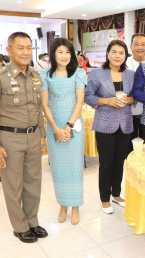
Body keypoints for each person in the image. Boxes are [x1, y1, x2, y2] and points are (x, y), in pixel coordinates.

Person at [0, 32, 47, 243]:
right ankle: (19, 226)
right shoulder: (1, 77)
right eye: (20, 47)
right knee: (13, 185)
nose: (26, 52)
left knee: (33, 183)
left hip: (33, 136)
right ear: (9, 50)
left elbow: (38, 109)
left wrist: (42, 135)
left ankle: (32, 221)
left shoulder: (36, 76)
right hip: (10, 139)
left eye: (29, 47)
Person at [40, 38, 86, 225]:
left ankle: (75, 206)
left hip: (73, 125)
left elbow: (80, 102)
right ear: (53, 54)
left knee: (75, 168)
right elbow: (45, 104)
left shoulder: (78, 73)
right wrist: (56, 129)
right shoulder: (44, 75)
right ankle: (63, 205)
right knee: (58, 169)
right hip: (53, 126)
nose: (65, 56)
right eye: (60, 52)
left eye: (68, 52)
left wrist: (68, 127)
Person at [85, 40, 135, 214]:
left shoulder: (130, 74)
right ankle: (104, 198)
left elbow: (134, 97)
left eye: (121, 53)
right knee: (106, 163)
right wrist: (107, 101)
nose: (117, 56)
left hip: (125, 123)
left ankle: (116, 194)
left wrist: (128, 100)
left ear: (125, 56)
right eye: (114, 52)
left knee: (119, 161)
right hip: (104, 123)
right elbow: (88, 96)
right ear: (108, 54)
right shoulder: (97, 74)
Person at [125, 33, 145, 157]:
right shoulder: (124, 64)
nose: (140, 47)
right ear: (131, 47)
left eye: (143, 44)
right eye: (136, 44)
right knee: (130, 151)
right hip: (128, 115)